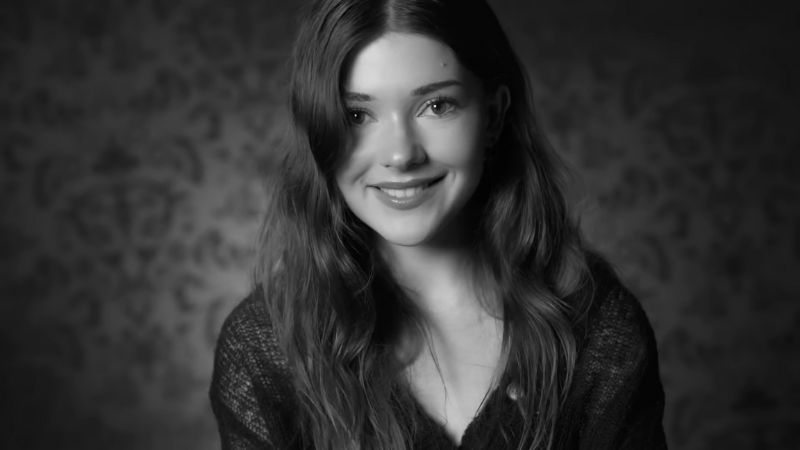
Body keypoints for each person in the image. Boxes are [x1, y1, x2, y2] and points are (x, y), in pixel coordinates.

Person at [209, 0, 667, 449]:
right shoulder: (264, 349)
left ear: (492, 116)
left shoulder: (596, 323)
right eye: (357, 115)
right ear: (319, 130)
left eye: (436, 105)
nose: (401, 154)